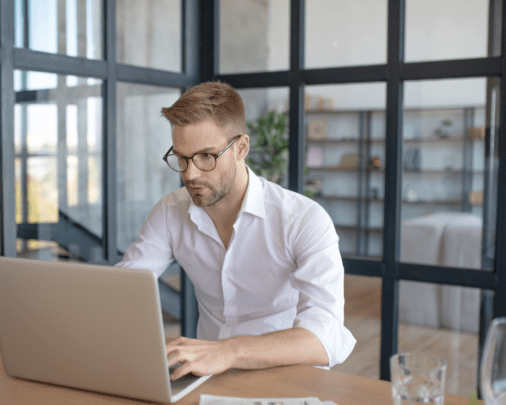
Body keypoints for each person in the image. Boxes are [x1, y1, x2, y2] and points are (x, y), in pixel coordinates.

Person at [116, 81, 355, 381]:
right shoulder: (170, 211)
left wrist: (229, 351)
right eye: (181, 158)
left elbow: (325, 337)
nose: (190, 174)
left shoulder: (303, 219)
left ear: (241, 147)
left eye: (206, 156)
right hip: (207, 377)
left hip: (287, 380)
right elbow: (123, 292)